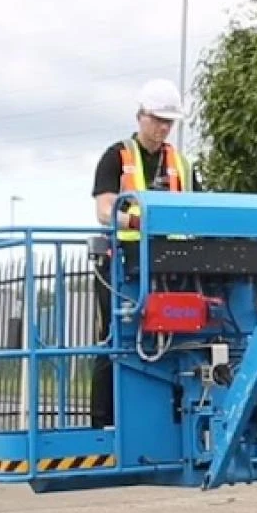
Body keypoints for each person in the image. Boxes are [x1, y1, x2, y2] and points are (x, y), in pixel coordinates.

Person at [88, 78, 196, 429]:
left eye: (169, 122)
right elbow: (104, 210)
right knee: (116, 336)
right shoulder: (117, 156)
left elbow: (196, 207)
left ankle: (174, 417)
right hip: (121, 263)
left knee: (178, 335)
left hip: (170, 261)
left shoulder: (181, 163)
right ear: (141, 116)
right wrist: (141, 217)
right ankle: (103, 423)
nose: (163, 128)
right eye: (158, 120)